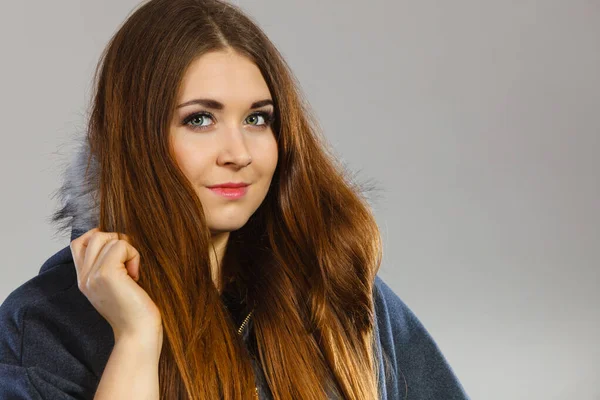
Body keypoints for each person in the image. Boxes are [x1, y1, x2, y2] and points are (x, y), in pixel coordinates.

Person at [0, 0, 470, 398]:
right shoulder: (44, 324)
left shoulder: (332, 284)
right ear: (133, 140)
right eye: (200, 119)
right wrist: (136, 337)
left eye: (257, 119)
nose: (239, 154)